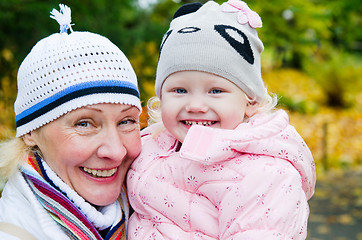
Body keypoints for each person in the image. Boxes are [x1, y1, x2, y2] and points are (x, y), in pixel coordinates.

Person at [126, 0, 316, 239]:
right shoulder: (150, 147)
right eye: (179, 90)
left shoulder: (265, 174)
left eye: (215, 91)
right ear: (161, 98)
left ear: (251, 101)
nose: (195, 106)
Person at [0, 4, 142, 240]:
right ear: (31, 131)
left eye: (126, 121)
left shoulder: (154, 203)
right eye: (84, 124)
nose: (116, 151)